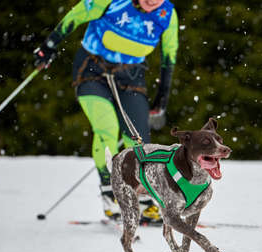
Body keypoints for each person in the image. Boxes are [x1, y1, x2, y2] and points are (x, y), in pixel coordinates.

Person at [33, 0, 178, 224]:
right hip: (91, 69)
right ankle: (112, 192)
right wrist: (48, 47)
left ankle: (142, 197)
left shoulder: (167, 14)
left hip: (131, 75)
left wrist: (163, 96)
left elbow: (170, 55)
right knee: (107, 129)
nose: (152, 1)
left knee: (138, 138)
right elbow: (76, 15)